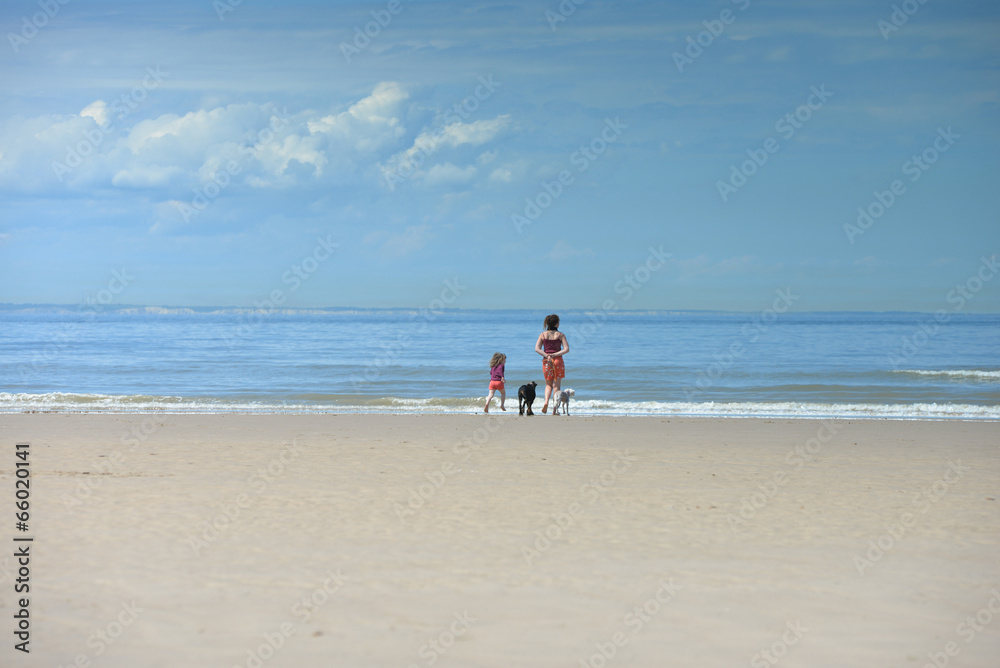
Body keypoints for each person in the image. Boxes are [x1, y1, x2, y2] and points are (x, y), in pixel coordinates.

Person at [534, 314, 569, 414]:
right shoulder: (560, 335)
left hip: (546, 361)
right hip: (558, 361)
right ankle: (554, 409)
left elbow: (537, 348)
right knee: (556, 386)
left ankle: (546, 402)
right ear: (557, 323)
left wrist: (547, 355)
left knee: (548, 384)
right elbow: (566, 349)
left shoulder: (543, 334)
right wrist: (554, 354)